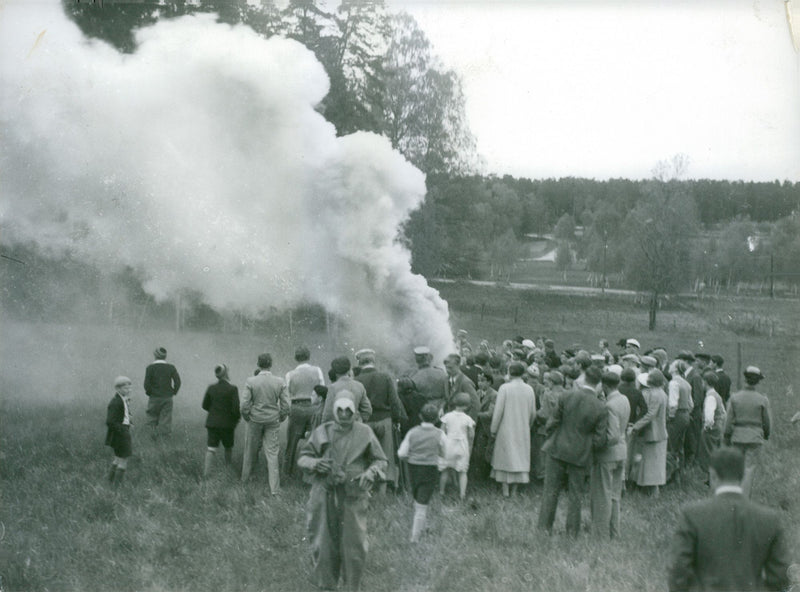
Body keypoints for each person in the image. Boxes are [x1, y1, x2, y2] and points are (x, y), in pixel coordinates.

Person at [667, 447, 790, 592]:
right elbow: (780, 576)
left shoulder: (692, 514)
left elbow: (678, 569)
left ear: (713, 475)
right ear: (743, 475)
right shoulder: (770, 519)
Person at [297, 397, 387, 591]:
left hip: (353, 494)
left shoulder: (365, 432)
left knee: (354, 543)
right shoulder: (323, 431)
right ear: (335, 411)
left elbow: (380, 460)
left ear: (355, 412)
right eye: (340, 411)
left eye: (349, 411)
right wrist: (314, 463)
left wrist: (370, 472)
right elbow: (303, 457)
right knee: (323, 541)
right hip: (324, 492)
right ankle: (326, 585)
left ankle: (351, 586)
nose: (344, 415)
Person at [537, 366, 608, 536]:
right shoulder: (600, 407)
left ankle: (544, 529)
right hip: (581, 454)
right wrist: (589, 448)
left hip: (557, 449)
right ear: (598, 384)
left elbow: (551, 422)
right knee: (576, 495)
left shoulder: (566, 395)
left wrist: (553, 437)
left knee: (550, 491)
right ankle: (572, 533)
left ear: (583, 378)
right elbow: (600, 440)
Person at [354, 348, 407, 493]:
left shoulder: (356, 380)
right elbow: (394, 402)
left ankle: (368, 491)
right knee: (385, 456)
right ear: (373, 361)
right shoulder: (385, 377)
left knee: (368, 456)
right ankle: (383, 492)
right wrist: (396, 420)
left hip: (365, 423)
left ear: (359, 362)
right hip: (384, 420)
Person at [397, 403, 446, 543]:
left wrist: (411, 457)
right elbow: (446, 452)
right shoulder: (440, 434)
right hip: (430, 469)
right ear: (437, 419)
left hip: (413, 469)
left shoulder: (412, 432)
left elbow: (401, 453)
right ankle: (415, 538)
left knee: (418, 500)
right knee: (422, 504)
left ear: (420, 416)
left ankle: (421, 529)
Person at [240, 353, 288, 494]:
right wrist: (281, 417)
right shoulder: (279, 381)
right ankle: (275, 489)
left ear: (258, 364)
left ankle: (244, 482)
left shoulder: (251, 381)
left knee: (250, 451)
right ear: (270, 364)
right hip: (273, 420)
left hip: (254, 420)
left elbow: (244, 405)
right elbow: (286, 405)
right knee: (272, 454)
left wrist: (247, 417)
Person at [590, 371, 630, 538]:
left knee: (602, 495)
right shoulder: (624, 399)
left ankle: (600, 533)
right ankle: (615, 532)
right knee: (614, 495)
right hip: (622, 451)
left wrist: (597, 446)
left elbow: (611, 435)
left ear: (604, 386)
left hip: (608, 454)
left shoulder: (609, 405)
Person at [490, 362, 537, 497]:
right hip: (522, 428)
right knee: (519, 458)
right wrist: (528, 425)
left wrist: (494, 428)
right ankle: (515, 491)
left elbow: (498, 411)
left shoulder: (505, 388)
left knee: (505, 456)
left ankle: (505, 491)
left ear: (510, 372)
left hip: (506, 427)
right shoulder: (529, 389)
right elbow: (533, 412)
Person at [724, 365, 772, 499]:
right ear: (757, 381)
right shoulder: (762, 399)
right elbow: (766, 422)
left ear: (745, 379)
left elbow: (728, 421)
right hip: (755, 438)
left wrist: (727, 436)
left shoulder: (735, 397)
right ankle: (744, 499)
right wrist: (766, 434)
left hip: (737, 436)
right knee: (749, 469)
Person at [283, 346, 325, 479]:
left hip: (296, 408)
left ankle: (287, 473)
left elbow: (287, 394)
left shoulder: (290, 374)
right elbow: (322, 389)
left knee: (292, 443)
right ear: (309, 356)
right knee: (316, 441)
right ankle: (315, 473)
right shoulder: (317, 370)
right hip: (313, 408)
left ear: (296, 358)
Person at [630, 370, 668, 496]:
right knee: (654, 462)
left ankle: (653, 491)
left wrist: (636, 426)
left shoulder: (655, 394)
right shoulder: (662, 393)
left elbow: (651, 414)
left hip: (653, 432)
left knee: (651, 463)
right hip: (660, 431)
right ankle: (650, 490)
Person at [201, 364, 240, 477]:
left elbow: (204, 405)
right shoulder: (233, 389)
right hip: (227, 425)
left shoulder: (211, 388)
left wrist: (214, 412)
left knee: (211, 449)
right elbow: (235, 409)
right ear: (226, 373)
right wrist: (235, 420)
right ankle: (227, 471)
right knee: (228, 448)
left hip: (212, 423)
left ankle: (206, 475)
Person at [438, 392, 476, 500]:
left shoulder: (447, 416)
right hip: (462, 445)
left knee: (445, 470)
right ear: (467, 406)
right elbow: (472, 434)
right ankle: (462, 494)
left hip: (449, 444)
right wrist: (469, 443)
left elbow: (441, 430)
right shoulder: (467, 418)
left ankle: (441, 491)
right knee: (463, 471)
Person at [143, 346, 181, 439]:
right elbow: (178, 382)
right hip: (167, 397)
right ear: (165, 356)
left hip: (154, 397)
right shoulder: (171, 367)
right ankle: (165, 438)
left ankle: (152, 436)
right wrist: (173, 392)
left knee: (152, 416)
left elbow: (146, 384)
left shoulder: (150, 368)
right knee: (166, 418)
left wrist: (150, 393)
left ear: (155, 355)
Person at [321, 356, 372, 424]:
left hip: (338, 427)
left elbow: (328, 413)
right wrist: (359, 420)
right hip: (355, 427)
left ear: (334, 371)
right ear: (349, 369)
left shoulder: (332, 388)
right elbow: (367, 410)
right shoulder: (359, 386)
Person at [106, 376, 133, 486]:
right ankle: (116, 487)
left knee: (117, 459)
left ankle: (109, 483)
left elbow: (125, 415)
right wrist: (123, 430)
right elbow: (110, 421)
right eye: (125, 388)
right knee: (123, 459)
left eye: (129, 388)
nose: (128, 390)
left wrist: (130, 423)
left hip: (121, 431)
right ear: (118, 389)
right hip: (121, 433)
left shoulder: (122, 399)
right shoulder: (116, 402)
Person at [696, 371, 726, 473]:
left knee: (708, 452)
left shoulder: (710, 397)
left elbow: (709, 416)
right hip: (718, 426)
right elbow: (723, 412)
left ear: (705, 382)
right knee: (715, 451)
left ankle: (711, 477)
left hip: (711, 429)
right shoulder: (716, 395)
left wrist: (706, 427)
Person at [443, 353, 480, 422]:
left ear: (458, 365)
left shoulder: (465, 382)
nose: (447, 370)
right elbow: (447, 399)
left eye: (450, 368)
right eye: (446, 367)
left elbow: (476, 404)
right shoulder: (446, 379)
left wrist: (469, 423)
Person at [409, 346, 447, 411]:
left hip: (423, 409)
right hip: (441, 407)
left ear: (416, 360)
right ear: (428, 358)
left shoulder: (413, 376)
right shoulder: (441, 373)